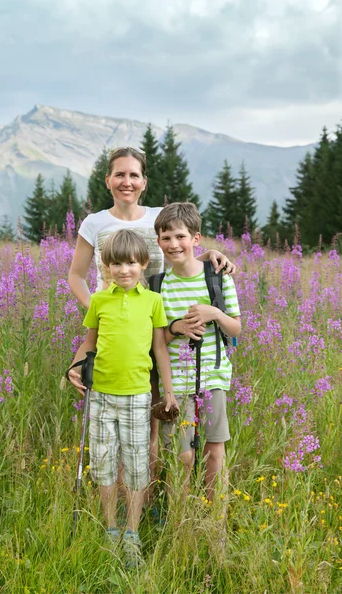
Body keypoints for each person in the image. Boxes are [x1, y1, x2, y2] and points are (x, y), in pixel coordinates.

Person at [68, 146, 236, 482]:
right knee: (129, 424)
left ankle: (158, 498)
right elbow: (75, 276)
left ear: (144, 181)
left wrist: (211, 254)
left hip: (162, 332)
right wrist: (102, 312)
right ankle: (134, 504)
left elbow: (180, 249)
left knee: (159, 418)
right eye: (119, 174)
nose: (126, 182)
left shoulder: (157, 216)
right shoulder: (95, 222)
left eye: (133, 175)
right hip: (121, 335)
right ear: (108, 180)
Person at [67, 229, 178, 568]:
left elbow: (159, 347)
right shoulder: (99, 301)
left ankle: (132, 532)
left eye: (130, 262)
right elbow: (90, 342)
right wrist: (73, 366)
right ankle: (111, 529)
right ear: (106, 266)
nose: (124, 270)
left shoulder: (153, 302)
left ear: (143, 263)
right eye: (116, 263)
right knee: (102, 463)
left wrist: (169, 390)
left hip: (137, 396)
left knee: (135, 464)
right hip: (100, 394)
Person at [154, 202, 241, 500]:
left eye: (180, 237)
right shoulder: (158, 286)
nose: (173, 244)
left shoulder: (218, 278)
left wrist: (213, 313)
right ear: (158, 242)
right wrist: (177, 327)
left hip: (213, 379)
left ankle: (214, 521)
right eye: (166, 238)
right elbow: (157, 341)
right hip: (176, 382)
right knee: (182, 457)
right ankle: (181, 525)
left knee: (214, 451)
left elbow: (236, 328)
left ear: (195, 238)